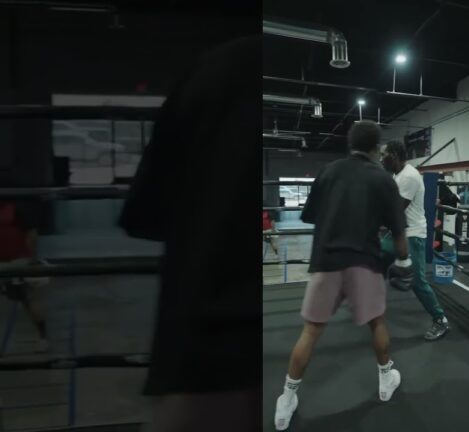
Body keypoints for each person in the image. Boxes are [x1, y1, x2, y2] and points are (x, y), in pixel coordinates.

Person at [118, 36, 259, 432]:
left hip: (207, 350)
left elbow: (146, 217)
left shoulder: (220, 67)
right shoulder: (225, 67)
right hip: (216, 350)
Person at [274, 120, 414, 431]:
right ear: (376, 149)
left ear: (350, 145)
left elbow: (310, 215)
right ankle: (385, 378)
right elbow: (398, 232)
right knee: (377, 323)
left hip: (326, 261)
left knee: (311, 331)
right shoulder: (383, 178)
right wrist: (405, 262)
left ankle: (286, 399)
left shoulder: (329, 171)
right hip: (364, 261)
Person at [380, 140, 450, 341]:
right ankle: (370, 303)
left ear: (393, 155)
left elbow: (395, 210)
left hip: (412, 235)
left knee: (418, 281)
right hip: (399, 233)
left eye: (383, 154)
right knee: (376, 259)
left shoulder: (408, 176)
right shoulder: (397, 175)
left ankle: (440, 320)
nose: (381, 158)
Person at [0, 200, 49, 353]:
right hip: (9, 262)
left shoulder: (15, 210)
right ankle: (43, 338)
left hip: (18, 262)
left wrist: (32, 261)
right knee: (29, 300)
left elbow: (32, 234)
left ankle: (43, 338)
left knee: (29, 299)